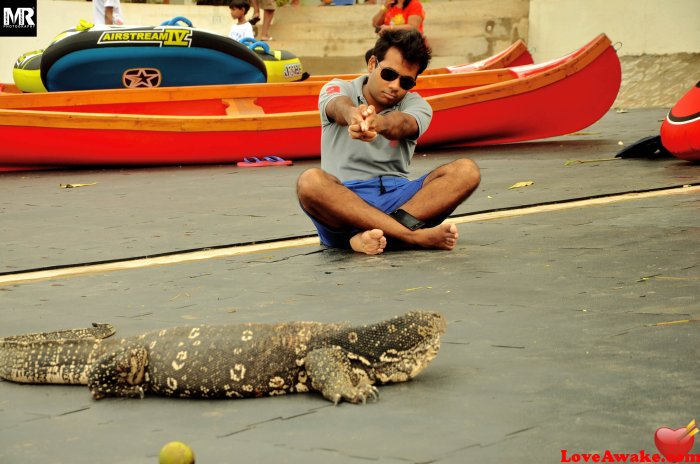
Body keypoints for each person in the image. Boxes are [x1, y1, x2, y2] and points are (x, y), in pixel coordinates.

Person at [296, 30, 480, 255]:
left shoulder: (418, 105)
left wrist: (378, 124)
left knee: (466, 171)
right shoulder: (338, 88)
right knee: (310, 182)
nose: (395, 86)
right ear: (372, 64)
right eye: (389, 74)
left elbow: (403, 125)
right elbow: (338, 106)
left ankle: (362, 239)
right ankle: (411, 236)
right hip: (344, 200)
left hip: (400, 200)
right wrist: (354, 115)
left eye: (406, 82)